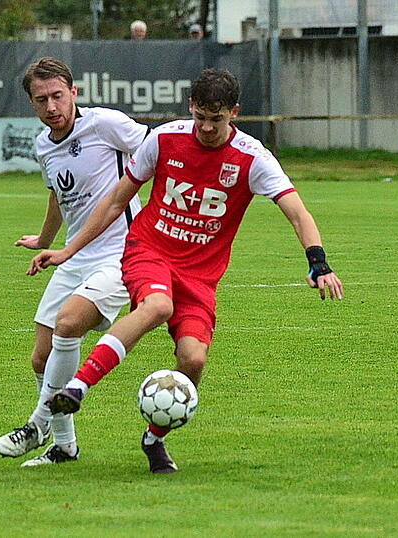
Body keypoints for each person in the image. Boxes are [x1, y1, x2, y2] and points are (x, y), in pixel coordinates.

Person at [30, 68, 343, 474]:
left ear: (234, 113)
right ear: (191, 108)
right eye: (200, 117)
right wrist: (70, 249)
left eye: (217, 120)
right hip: (149, 250)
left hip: (200, 276)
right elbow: (114, 202)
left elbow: (298, 212)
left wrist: (318, 262)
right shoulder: (163, 139)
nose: (207, 128)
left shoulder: (252, 157)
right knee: (157, 305)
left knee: (193, 360)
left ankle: (153, 438)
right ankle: (78, 386)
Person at [0, 57, 149, 466]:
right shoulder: (44, 145)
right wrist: (44, 240)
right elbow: (57, 196)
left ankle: (37, 423)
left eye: (58, 96)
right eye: (41, 100)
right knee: (41, 359)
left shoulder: (106, 125)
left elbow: (157, 153)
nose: (51, 107)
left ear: (74, 92)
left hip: (121, 253)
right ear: (31, 103)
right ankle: (64, 447)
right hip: (74, 254)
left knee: (69, 323)